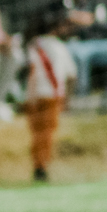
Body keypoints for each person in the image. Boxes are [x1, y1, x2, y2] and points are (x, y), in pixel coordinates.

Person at [22, 15, 76, 182]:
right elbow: (71, 75)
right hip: (53, 95)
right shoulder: (60, 46)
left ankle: (39, 164)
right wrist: (67, 99)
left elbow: (31, 71)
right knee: (47, 133)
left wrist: (29, 96)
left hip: (36, 95)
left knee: (37, 133)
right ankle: (42, 165)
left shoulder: (34, 45)